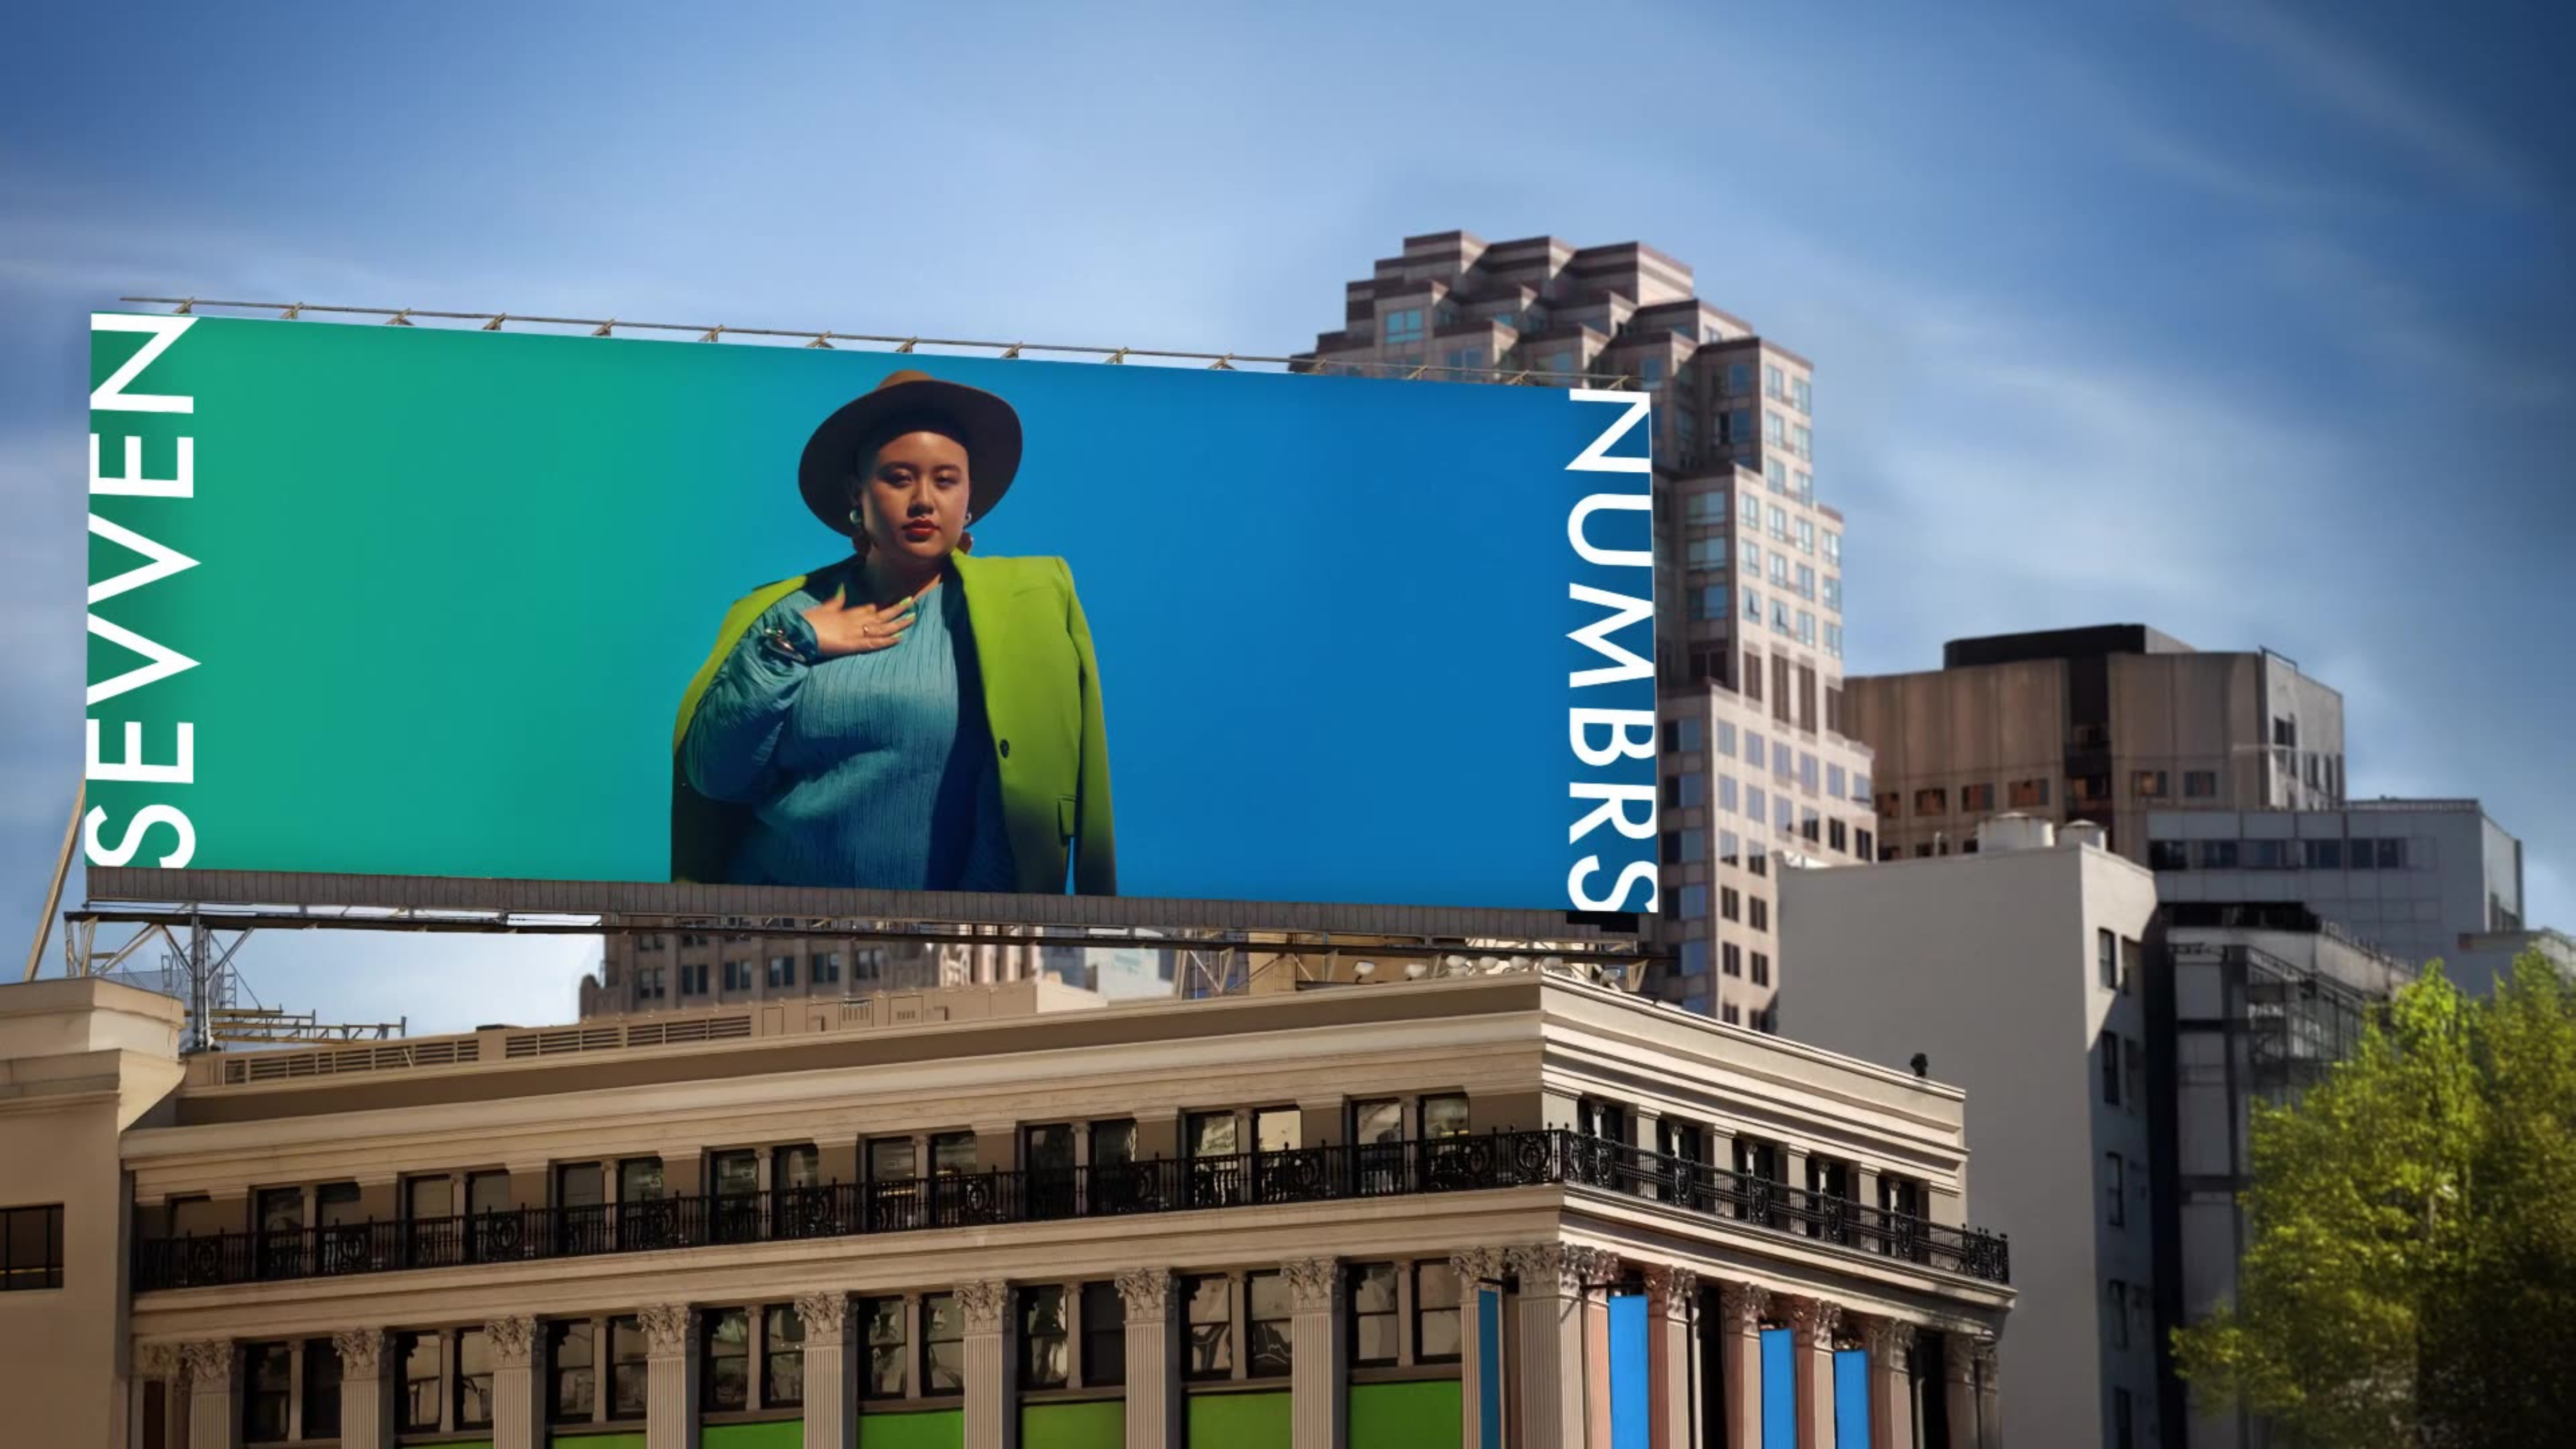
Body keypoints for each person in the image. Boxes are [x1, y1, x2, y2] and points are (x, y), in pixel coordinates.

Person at [671, 369, 1114, 894]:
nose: (924, 499)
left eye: (945, 481)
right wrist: (796, 645)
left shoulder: (1024, 607)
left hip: (945, 941)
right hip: (776, 933)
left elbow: (1022, 795)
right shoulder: (786, 613)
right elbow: (716, 777)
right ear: (857, 494)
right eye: (900, 478)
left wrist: (979, 923)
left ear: (969, 498)